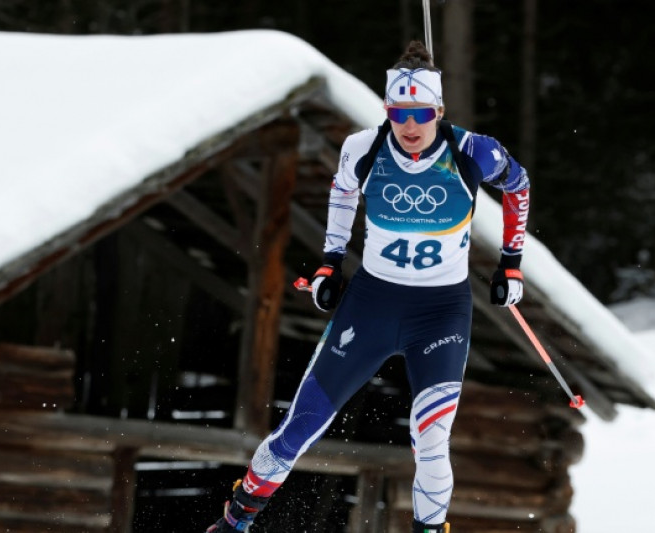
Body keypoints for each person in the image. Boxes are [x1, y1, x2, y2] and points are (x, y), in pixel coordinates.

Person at [207, 40, 530, 533]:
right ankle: (235, 520)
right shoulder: (363, 148)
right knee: (301, 425)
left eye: (422, 112)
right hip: (372, 304)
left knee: (432, 440)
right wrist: (330, 264)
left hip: (440, 312)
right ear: (387, 110)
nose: (411, 125)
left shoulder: (471, 151)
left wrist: (511, 262)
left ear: (439, 110)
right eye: (400, 113)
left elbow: (518, 185)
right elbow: (341, 197)